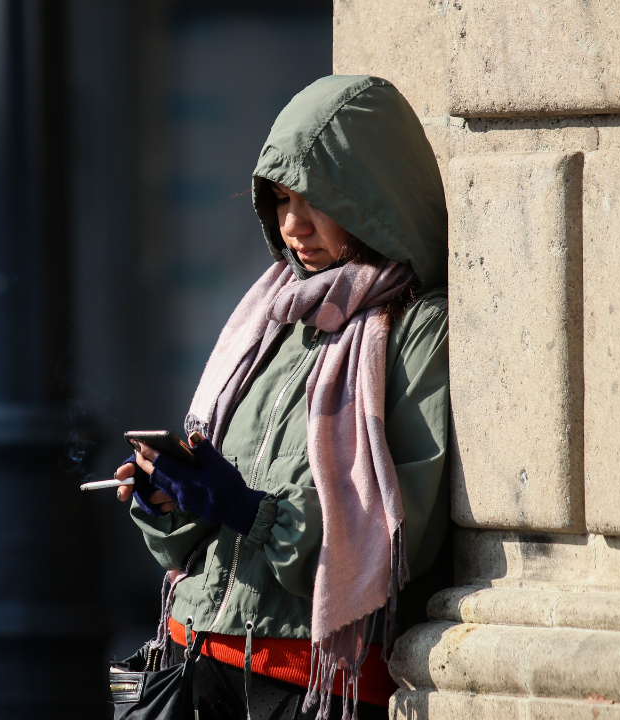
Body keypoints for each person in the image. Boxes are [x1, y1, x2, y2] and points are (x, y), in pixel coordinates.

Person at [115, 75, 451, 720]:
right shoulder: (269, 314)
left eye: (316, 199)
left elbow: (403, 530)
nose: (291, 225)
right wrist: (172, 500)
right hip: (191, 655)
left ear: (371, 197)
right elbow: (205, 527)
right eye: (277, 200)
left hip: (304, 680)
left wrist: (251, 510)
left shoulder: (414, 329)